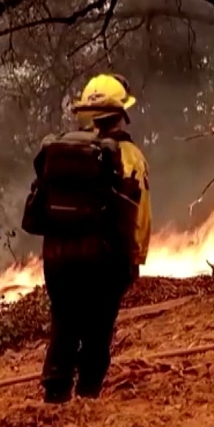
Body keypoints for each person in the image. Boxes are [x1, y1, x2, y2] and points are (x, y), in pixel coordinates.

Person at [21, 73, 152, 404]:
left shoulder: (61, 149)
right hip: (101, 259)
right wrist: (134, 260)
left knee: (63, 322)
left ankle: (55, 391)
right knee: (98, 327)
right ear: (119, 113)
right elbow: (139, 214)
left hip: (57, 260)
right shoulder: (127, 154)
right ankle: (88, 394)